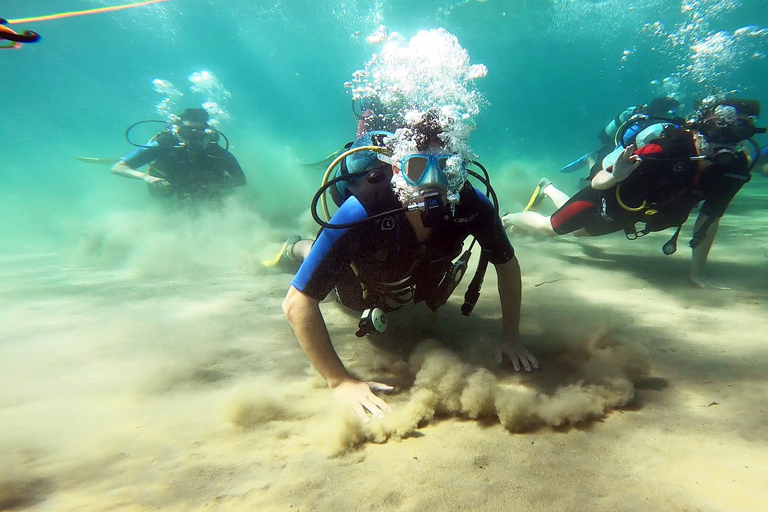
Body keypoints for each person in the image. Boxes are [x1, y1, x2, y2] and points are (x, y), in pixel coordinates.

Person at [278, 110, 539, 423]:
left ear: (459, 170)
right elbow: (296, 303)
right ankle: (300, 248)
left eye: (446, 168)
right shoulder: (363, 206)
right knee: (344, 294)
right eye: (417, 168)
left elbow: (506, 264)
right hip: (361, 273)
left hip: (418, 266)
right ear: (397, 170)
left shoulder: (471, 204)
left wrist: (511, 336)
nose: (432, 182)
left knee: (430, 293)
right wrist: (340, 380)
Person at [504, 98, 766, 289]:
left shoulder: (733, 168)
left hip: (630, 214)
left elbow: (710, 220)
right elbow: (597, 182)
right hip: (605, 196)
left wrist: (698, 273)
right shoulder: (668, 147)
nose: (723, 149)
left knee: (575, 233)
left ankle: (548, 187)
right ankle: (505, 218)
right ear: (704, 129)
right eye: (720, 135)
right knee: (550, 229)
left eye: (738, 138)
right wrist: (616, 175)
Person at [111, 108, 246, 201]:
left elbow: (240, 179)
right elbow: (118, 168)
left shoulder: (214, 150)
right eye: (187, 131)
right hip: (168, 195)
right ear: (177, 130)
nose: (193, 137)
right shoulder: (164, 144)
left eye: (198, 132)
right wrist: (147, 178)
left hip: (205, 195)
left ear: (206, 132)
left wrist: (214, 187)